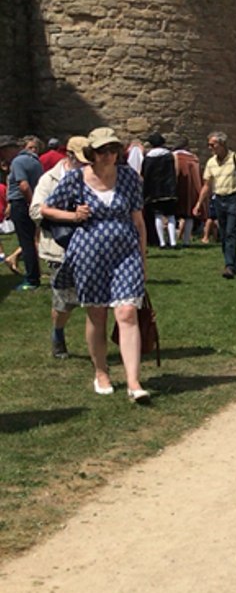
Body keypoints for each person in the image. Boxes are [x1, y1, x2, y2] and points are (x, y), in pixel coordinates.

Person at [41, 127, 150, 403]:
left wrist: (143, 257)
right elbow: (46, 208)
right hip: (89, 253)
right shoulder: (76, 179)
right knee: (97, 314)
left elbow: (138, 221)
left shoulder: (129, 178)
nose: (109, 155)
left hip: (125, 252)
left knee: (127, 312)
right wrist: (73, 215)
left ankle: (133, 381)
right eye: (103, 151)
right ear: (92, 153)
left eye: (114, 150)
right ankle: (101, 372)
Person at [30, 135, 89, 358]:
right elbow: (36, 211)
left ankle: (99, 348)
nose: (85, 165)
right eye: (81, 160)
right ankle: (58, 334)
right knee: (64, 300)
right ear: (69, 157)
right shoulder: (50, 179)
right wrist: (71, 216)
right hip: (60, 248)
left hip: (91, 247)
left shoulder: (94, 177)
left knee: (98, 301)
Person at [195, 131, 236, 278]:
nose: (210, 148)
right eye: (209, 145)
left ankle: (229, 266)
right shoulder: (211, 162)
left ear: (222, 144)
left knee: (230, 232)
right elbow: (207, 185)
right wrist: (198, 204)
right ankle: (235, 264)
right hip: (218, 199)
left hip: (233, 197)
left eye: (212, 144)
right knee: (224, 233)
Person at [7, 135, 44, 290]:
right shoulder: (36, 161)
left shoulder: (18, 161)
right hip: (33, 200)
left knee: (26, 242)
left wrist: (30, 203)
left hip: (22, 203)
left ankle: (31, 279)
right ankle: (35, 274)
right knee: (32, 240)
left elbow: (23, 185)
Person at [141, 133, 179, 249]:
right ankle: (173, 242)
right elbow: (174, 172)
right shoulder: (169, 156)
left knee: (158, 215)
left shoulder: (148, 158)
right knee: (171, 215)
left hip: (154, 190)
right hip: (169, 189)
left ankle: (162, 242)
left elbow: (145, 175)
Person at [171, 134, 202, 246]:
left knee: (172, 214)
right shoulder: (193, 158)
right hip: (190, 190)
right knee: (189, 215)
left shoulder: (173, 156)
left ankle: (172, 240)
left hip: (176, 187)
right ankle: (186, 240)